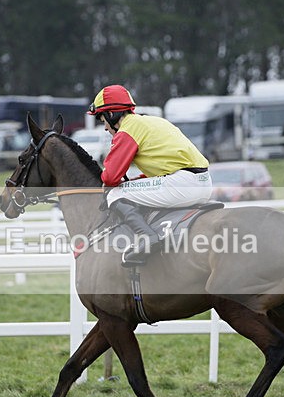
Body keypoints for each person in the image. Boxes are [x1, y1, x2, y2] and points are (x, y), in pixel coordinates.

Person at [88, 84, 212, 266]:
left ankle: (146, 237)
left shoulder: (127, 130)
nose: (105, 128)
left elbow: (110, 178)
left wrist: (116, 184)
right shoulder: (153, 121)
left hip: (183, 183)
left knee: (115, 193)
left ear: (112, 114)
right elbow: (163, 166)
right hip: (203, 182)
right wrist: (137, 182)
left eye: (102, 120)